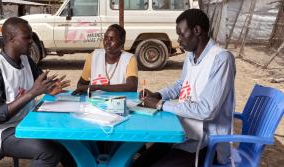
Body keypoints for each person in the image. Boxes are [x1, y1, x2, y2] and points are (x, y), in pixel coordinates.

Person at [134, 9, 236, 167]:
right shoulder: (191, 56)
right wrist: (158, 95)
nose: (179, 40)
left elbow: (206, 110)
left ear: (197, 30)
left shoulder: (221, 59)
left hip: (207, 143)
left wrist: (160, 105)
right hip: (185, 133)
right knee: (139, 163)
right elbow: (181, 85)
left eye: (181, 34)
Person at [0, 17, 72, 167]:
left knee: (68, 142)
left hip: (24, 124)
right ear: (10, 38)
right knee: (49, 152)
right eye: (27, 37)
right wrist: (32, 93)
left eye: (31, 37)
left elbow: (42, 84)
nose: (31, 41)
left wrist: (51, 88)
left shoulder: (26, 60)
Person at [72, 24, 138, 95]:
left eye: (112, 39)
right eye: (105, 38)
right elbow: (81, 85)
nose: (107, 42)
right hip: (96, 103)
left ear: (122, 43)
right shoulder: (93, 56)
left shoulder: (129, 59)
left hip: (119, 103)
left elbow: (132, 87)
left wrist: (97, 87)